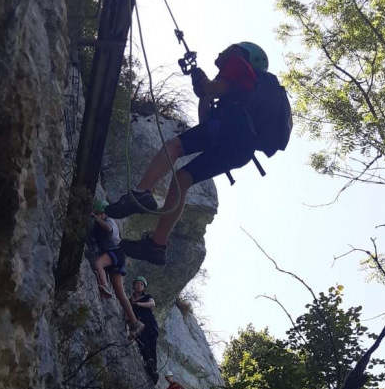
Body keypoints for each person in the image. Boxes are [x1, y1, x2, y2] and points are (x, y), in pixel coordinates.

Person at [110, 43, 271, 267]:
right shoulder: (241, 93)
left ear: (241, 53)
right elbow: (205, 121)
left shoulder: (238, 63)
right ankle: (157, 245)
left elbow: (215, 90)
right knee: (182, 179)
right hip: (240, 149)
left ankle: (140, 193)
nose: (221, 52)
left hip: (230, 132)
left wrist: (205, 83)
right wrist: (203, 92)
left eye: (228, 49)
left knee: (173, 146)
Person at [91, 200, 144, 339]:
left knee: (98, 264)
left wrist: (94, 217)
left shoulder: (110, 221)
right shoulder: (100, 224)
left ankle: (104, 286)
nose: (99, 216)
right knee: (120, 294)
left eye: (101, 213)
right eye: (97, 214)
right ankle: (135, 322)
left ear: (105, 213)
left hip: (116, 252)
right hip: (116, 256)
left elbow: (108, 229)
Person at [131, 275, 159, 383]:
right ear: (134, 285)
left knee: (152, 346)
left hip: (150, 323)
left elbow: (152, 304)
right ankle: (149, 364)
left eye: (141, 284)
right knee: (143, 343)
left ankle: (154, 370)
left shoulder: (147, 297)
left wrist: (138, 304)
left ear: (144, 288)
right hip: (139, 323)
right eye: (137, 284)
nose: (139, 286)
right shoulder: (130, 300)